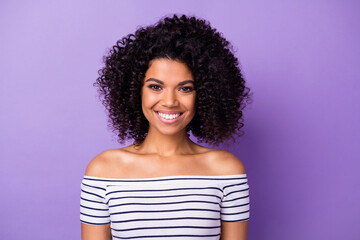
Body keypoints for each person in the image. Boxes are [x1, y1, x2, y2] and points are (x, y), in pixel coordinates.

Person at [80, 14, 252, 240]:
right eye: (155, 86)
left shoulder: (226, 170)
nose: (170, 101)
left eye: (185, 88)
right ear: (135, 90)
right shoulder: (102, 171)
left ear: (206, 95)